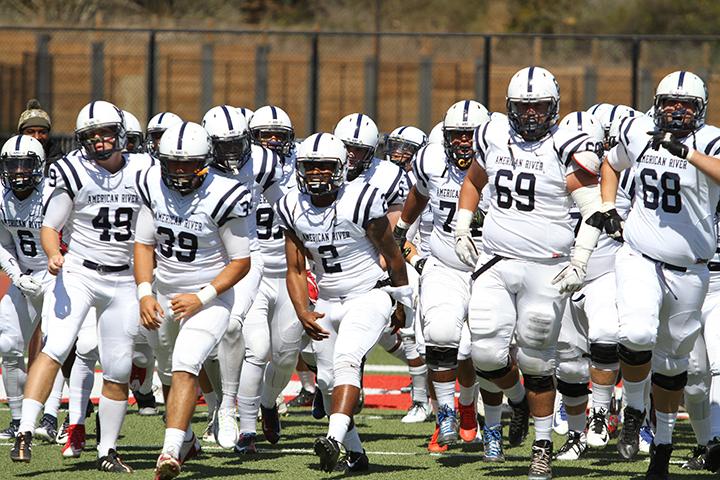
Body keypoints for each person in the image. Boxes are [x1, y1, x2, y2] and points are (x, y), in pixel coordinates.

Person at [456, 66, 605, 479]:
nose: (531, 114)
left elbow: (594, 210)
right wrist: (462, 223)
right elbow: (474, 179)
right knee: (484, 351)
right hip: (497, 259)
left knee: (538, 359)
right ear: (510, 107)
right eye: (523, 106)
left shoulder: (564, 145)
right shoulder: (493, 134)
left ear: (553, 107)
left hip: (547, 265)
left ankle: (541, 445)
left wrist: (580, 259)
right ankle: (518, 399)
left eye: (539, 106)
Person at [10, 101, 154, 472]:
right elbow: (49, 225)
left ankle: (107, 450)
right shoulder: (72, 170)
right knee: (55, 345)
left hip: (124, 277)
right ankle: (25, 428)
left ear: (120, 133)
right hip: (80, 272)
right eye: (91, 135)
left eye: (105, 132)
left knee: (119, 367)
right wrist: (52, 252)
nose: (100, 141)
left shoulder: (145, 168)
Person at [600, 70, 720, 479]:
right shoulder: (639, 132)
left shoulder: (709, 140)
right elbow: (611, 163)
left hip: (691, 270)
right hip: (640, 255)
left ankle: (662, 453)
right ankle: (634, 409)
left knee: (672, 366)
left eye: (686, 104)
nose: (677, 110)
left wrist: (685, 154)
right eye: (670, 101)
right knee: (635, 333)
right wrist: (608, 206)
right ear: (658, 102)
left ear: (699, 109)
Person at [277, 132, 410, 472]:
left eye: (325, 167)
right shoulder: (291, 204)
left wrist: (401, 300)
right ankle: (356, 454)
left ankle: (333, 440)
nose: (317, 174)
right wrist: (302, 309)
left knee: (348, 360)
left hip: (369, 293)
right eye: (310, 167)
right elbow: (294, 268)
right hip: (327, 299)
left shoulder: (361, 198)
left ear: (341, 169)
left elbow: (392, 256)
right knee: (325, 380)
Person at [133, 121, 253, 480]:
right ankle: (186, 439)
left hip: (211, 296)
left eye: (189, 164)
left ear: (206, 161)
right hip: (165, 293)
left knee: (186, 362)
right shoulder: (151, 184)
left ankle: (169, 452)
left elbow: (241, 261)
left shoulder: (226, 194)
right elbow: (144, 244)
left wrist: (202, 297)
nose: (181, 171)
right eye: (174, 163)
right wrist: (144, 292)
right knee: (168, 369)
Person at [17, 99, 63, 167]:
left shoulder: (59, 162)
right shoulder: (10, 161)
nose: (37, 137)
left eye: (42, 132)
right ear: (21, 133)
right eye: (30, 132)